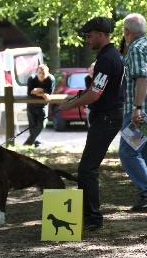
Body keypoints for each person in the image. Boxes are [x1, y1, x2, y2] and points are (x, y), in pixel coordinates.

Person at [60, 17, 126, 231]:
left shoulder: (107, 59)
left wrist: (70, 105)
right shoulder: (110, 56)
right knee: (88, 168)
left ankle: (92, 218)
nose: (87, 40)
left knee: (87, 169)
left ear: (99, 34)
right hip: (107, 115)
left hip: (106, 116)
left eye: (89, 36)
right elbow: (97, 90)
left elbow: (95, 94)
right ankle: (89, 216)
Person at [118, 13, 147, 211]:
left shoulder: (136, 49)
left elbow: (142, 79)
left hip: (141, 113)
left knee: (127, 153)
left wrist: (136, 108)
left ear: (127, 31)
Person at [23, 64, 55, 147]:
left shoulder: (50, 79)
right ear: (36, 72)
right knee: (32, 126)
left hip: (43, 105)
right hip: (31, 105)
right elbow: (30, 92)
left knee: (41, 124)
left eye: (43, 73)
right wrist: (42, 94)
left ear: (47, 73)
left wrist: (39, 90)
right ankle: (37, 143)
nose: (41, 75)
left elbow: (50, 91)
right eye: (39, 73)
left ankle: (29, 142)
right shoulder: (32, 79)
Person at [84, 61, 95, 126]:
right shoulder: (87, 78)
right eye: (92, 69)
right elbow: (89, 89)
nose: (92, 71)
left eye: (94, 70)